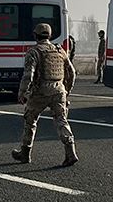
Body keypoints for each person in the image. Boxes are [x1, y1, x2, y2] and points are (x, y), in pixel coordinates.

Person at [14, 22, 77, 165]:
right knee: (61, 120)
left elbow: (28, 75)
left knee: (30, 120)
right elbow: (72, 72)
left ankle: (25, 153)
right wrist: (67, 90)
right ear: (50, 35)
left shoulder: (34, 52)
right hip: (59, 90)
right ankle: (70, 151)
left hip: (40, 92)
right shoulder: (59, 50)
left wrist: (22, 93)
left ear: (35, 35)